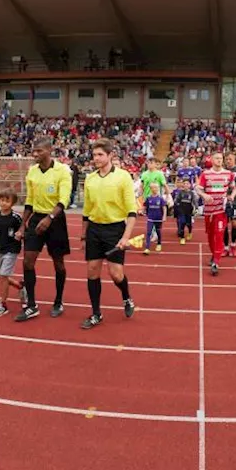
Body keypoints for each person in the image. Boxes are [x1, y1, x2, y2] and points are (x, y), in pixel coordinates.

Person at [79, 139, 138, 329]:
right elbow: (86, 211)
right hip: (94, 229)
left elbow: (131, 211)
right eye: (94, 155)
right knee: (92, 271)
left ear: (110, 155)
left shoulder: (123, 177)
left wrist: (125, 236)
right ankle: (96, 313)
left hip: (115, 230)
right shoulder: (90, 178)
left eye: (100, 155)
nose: (95, 158)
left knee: (116, 274)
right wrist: (83, 236)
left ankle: (126, 297)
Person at [16, 138, 72, 322]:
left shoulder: (62, 171)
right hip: (37, 218)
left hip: (55, 219)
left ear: (49, 150)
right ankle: (31, 305)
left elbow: (64, 200)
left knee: (58, 263)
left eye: (39, 151)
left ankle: (58, 301)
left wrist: (50, 218)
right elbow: (29, 201)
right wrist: (23, 224)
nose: (35, 154)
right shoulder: (32, 171)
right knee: (28, 262)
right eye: (34, 151)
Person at [197, 151, 236, 275]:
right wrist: (204, 195)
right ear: (212, 160)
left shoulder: (228, 174)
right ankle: (214, 254)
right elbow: (198, 189)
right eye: (217, 158)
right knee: (210, 236)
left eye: (221, 158)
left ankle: (216, 262)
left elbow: (233, 188)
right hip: (209, 211)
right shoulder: (205, 174)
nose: (219, 160)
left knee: (219, 234)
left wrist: (231, 196)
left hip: (221, 210)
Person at [143, 182, 166, 254]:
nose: (154, 189)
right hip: (150, 218)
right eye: (153, 187)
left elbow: (164, 208)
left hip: (158, 218)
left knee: (158, 231)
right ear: (150, 188)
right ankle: (147, 248)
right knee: (149, 232)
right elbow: (145, 206)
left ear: (158, 188)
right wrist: (142, 210)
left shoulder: (160, 198)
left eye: (156, 187)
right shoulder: (148, 198)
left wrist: (164, 216)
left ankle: (159, 243)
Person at [173, 179, 196, 244]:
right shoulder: (180, 192)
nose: (186, 185)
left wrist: (196, 208)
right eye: (184, 183)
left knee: (188, 224)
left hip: (189, 210)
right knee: (182, 223)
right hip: (181, 210)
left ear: (190, 185)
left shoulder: (191, 193)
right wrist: (176, 204)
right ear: (183, 185)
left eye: (187, 184)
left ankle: (190, 232)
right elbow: (176, 200)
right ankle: (182, 238)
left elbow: (194, 201)